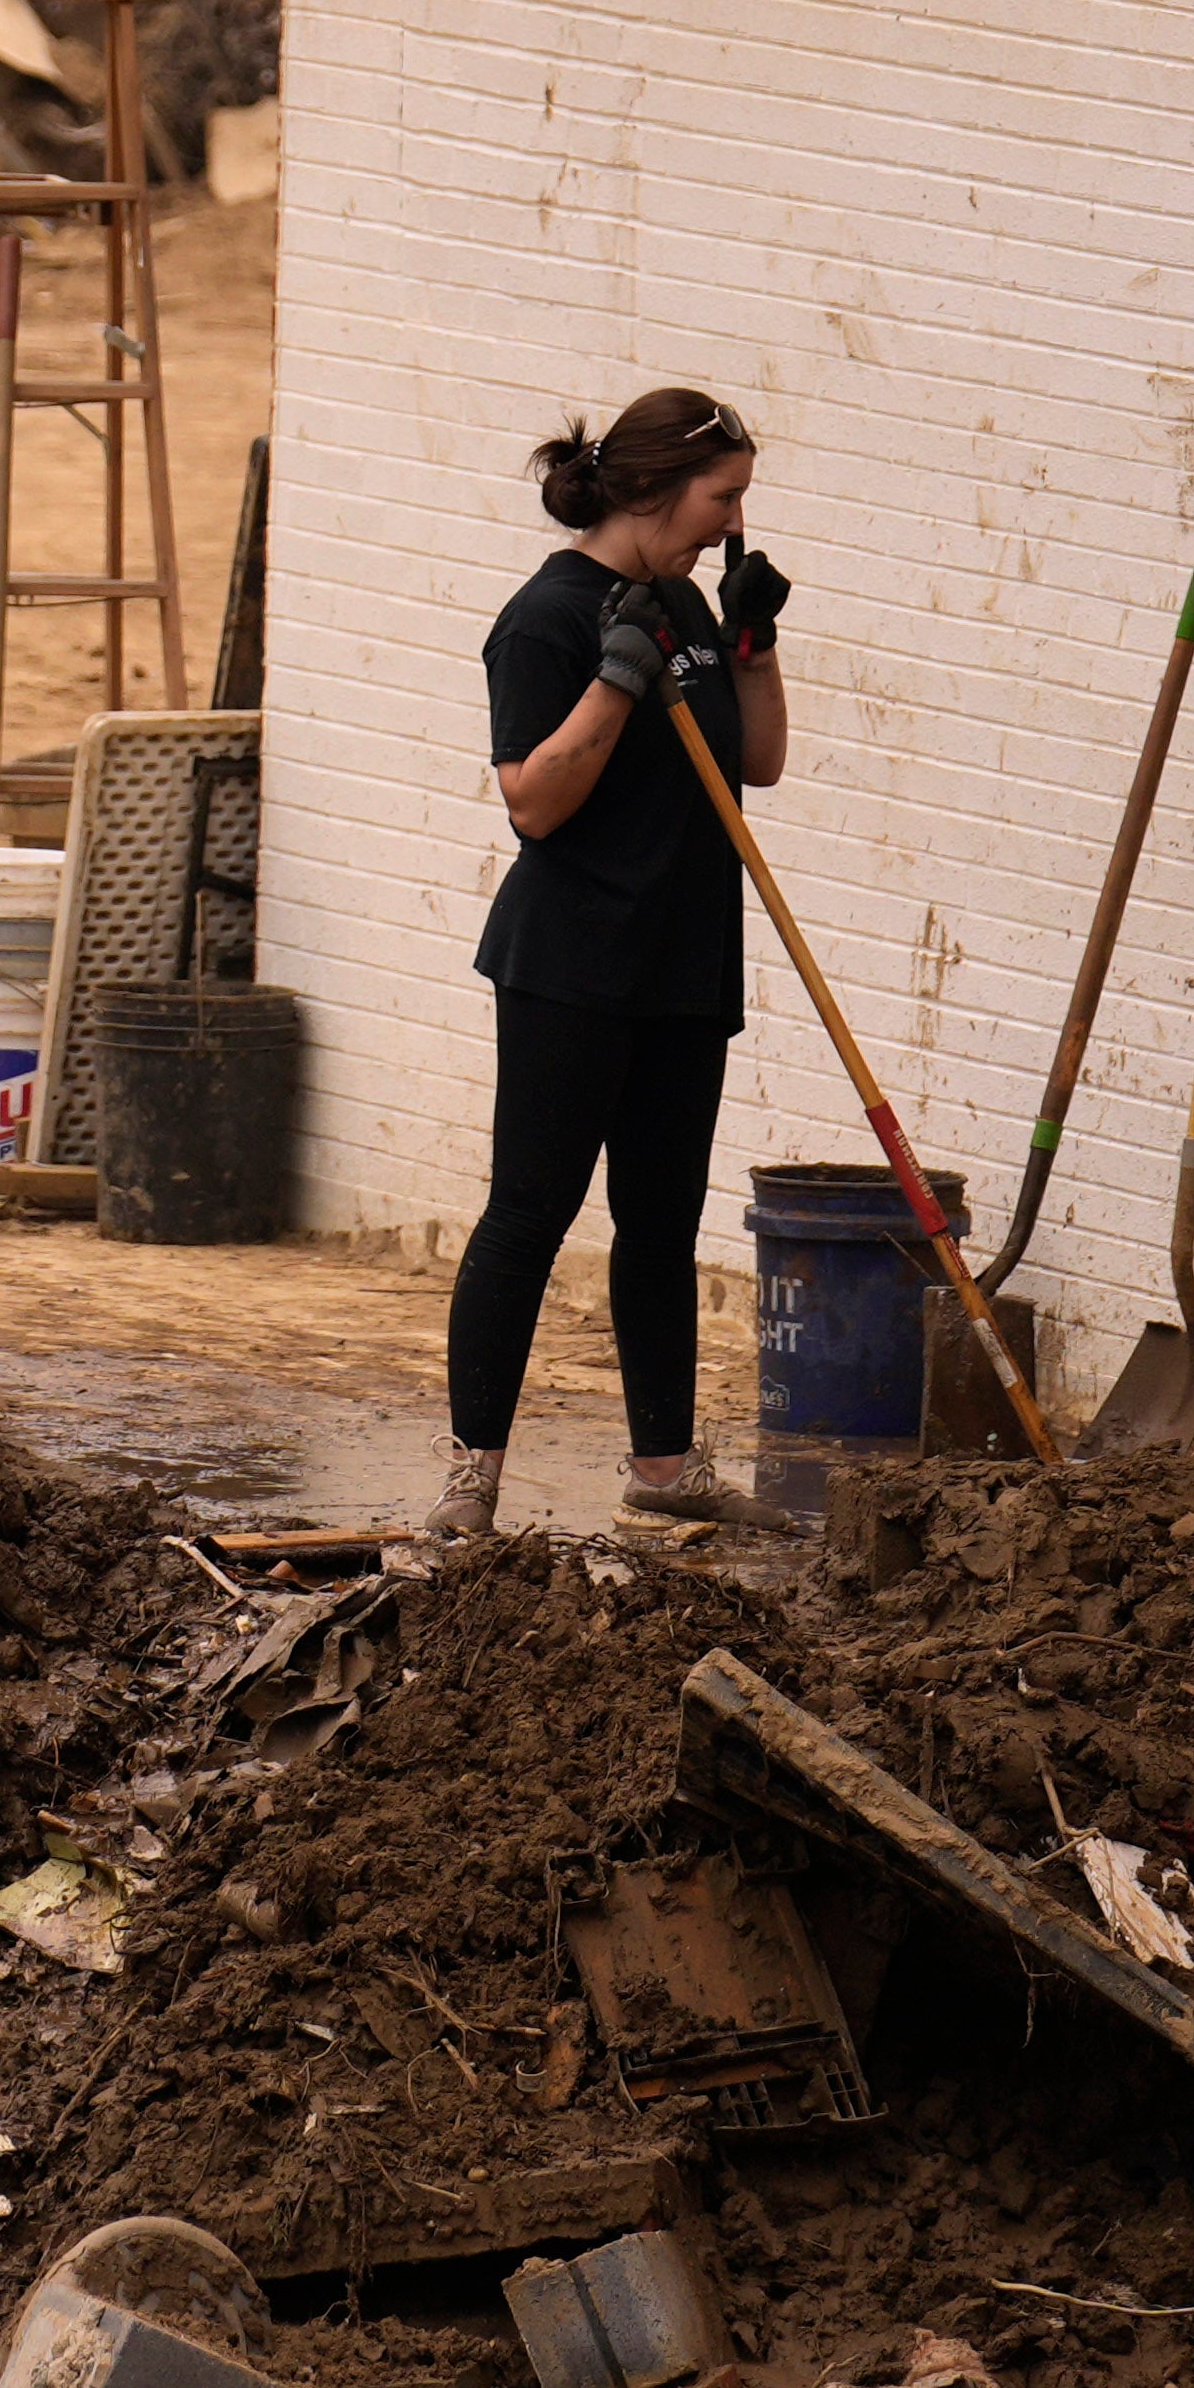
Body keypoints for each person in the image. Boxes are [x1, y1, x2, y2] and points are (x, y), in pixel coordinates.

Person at [433, 386, 794, 1544]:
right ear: (648, 492)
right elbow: (534, 805)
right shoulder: (546, 619)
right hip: (573, 963)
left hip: (685, 957)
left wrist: (750, 643)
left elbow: (764, 763)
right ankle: (470, 1478)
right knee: (530, 1213)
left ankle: (664, 1466)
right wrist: (615, 676)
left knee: (661, 1221)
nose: (731, 518)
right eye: (720, 496)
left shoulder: (686, 603)